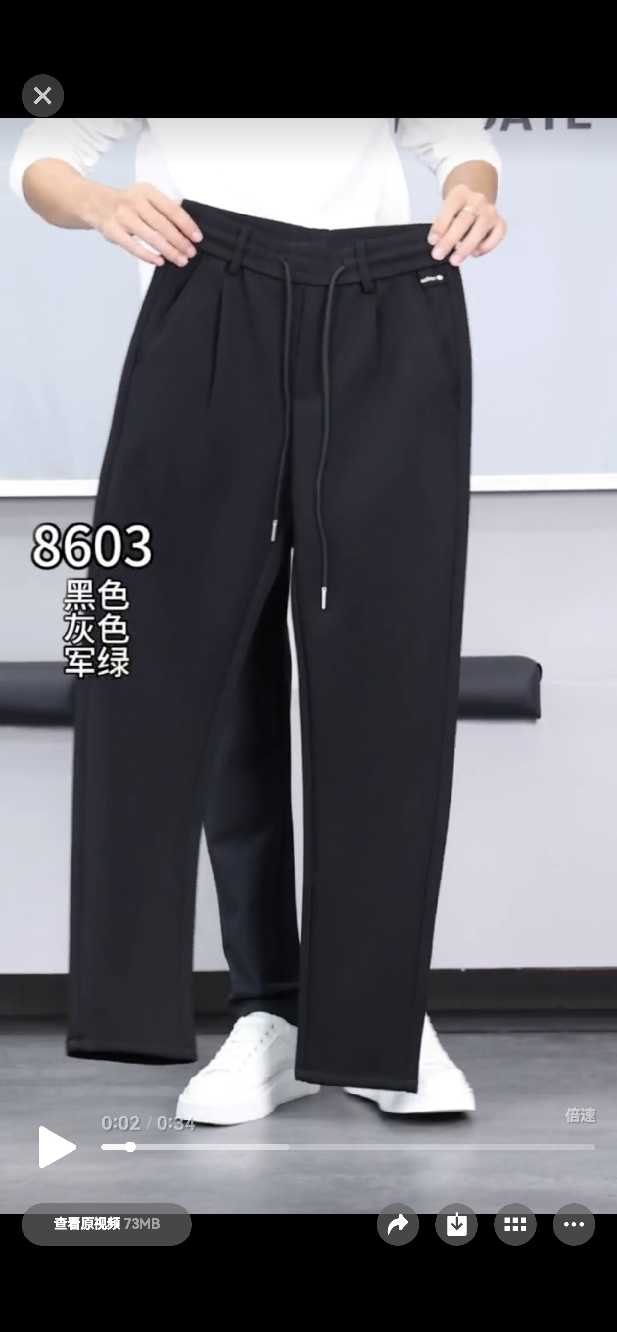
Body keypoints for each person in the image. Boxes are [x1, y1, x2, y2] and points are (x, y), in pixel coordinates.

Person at [10, 117, 506, 1125]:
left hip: (384, 308)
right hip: (200, 307)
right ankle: (265, 1011)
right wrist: (102, 204)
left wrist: (472, 189)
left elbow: (461, 143)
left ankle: (376, 1026)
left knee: (387, 679)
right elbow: (38, 162)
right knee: (153, 668)